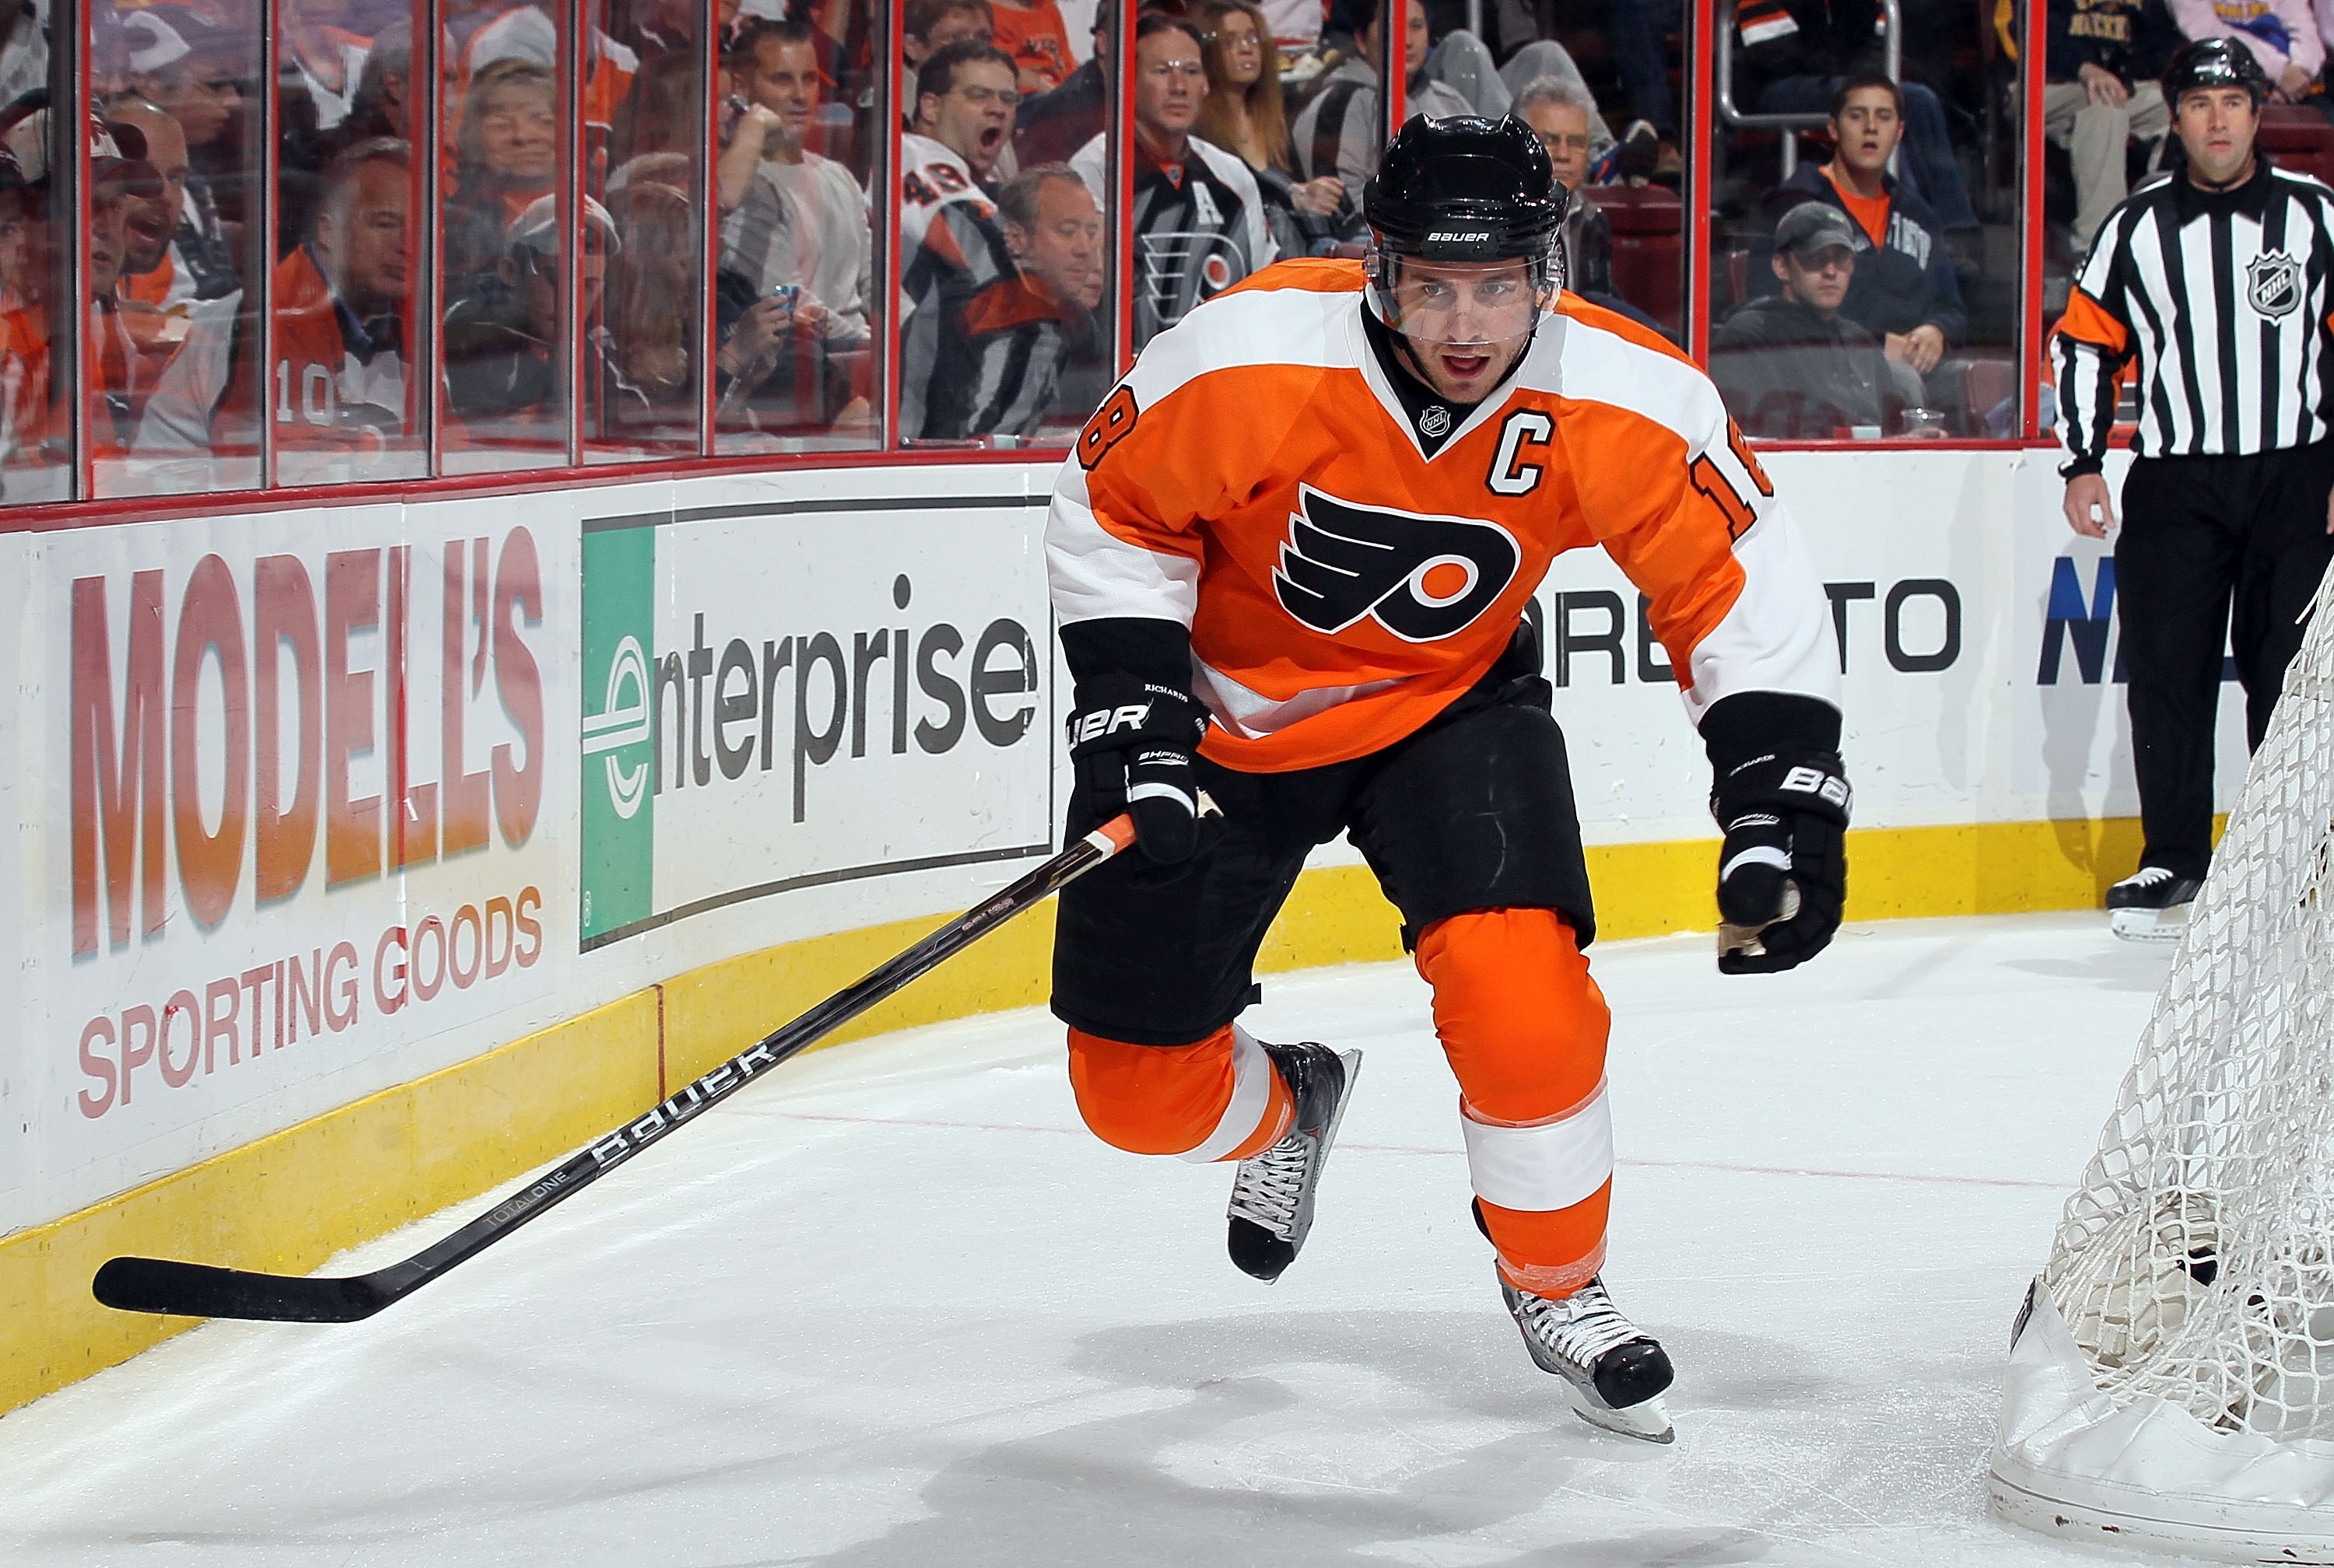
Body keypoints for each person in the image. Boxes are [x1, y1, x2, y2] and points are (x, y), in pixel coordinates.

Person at [1046, 115, 1846, 1441]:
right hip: (1221, 729)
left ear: (1549, 266)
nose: (1466, 322)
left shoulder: (1625, 392)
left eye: (1497, 283)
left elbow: (1735, 583)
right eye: (1434, 283)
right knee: (1135, 1096)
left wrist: (1785, 786)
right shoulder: (1249, 353)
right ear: (1383, 270)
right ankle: (1291, 1103)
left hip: (1447, 712)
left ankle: (1559, 1282)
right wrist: (1133, 712)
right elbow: (1115, 507)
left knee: (1522, 993)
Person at [2055, 39, 2334, 940]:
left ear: (2261, 114)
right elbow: (2086, 342)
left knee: (2288, 684)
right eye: (2201, 102)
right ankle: (2174, 859)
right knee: (2169, 680)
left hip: (2297, 479)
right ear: (2174, 117)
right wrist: (2084, 460)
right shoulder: (2135, 228)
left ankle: (2298, 865)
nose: (2219, 118)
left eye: (2235, 101)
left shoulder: (2316, 217)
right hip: (2177, 484)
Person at [1070, 14, 1277, 346]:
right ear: (1130, 81)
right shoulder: (1093, 171)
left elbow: (1262, 286)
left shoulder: (1232, 175)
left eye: (1191, 71)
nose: (1179, 86)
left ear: (1207, 84)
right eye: (1163, 71)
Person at [1755, 73, 1966, 395]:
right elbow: (1775, 308)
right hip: (1825, 368)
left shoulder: (1918, 213)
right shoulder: (1797, 203)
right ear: (1833, 129)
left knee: (1979, 380)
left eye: (1884, 117)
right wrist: (1875, 345)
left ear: (1899, 132)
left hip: (1913, 366)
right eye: (1857, 116)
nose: (1871, 128)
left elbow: (1951, 304)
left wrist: (1936, 331)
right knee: (1903, 382)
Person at [1730, 0, 1980, 234]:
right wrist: (1845, 75)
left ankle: (1956, 229)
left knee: (1918, 99)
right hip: (1779, 85)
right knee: (1871, 106)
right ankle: (1904, 226)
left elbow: (1881, 43)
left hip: (1845, 79)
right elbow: (1771, 52)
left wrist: (1859, 76)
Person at [916, 163, 1104, 439]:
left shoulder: (1074, 317)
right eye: (1066, 231)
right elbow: (970, 448)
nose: (1085, 250)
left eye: (1090, 233)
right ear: (1016, 238)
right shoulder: (991, 316)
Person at [722, 17, 873, 351]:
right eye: (782, 80)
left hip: (862, 354)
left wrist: (913, 336)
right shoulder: (743, 184)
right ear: (741, 85)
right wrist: (869, 345)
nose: (801, 96)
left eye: (809, 79)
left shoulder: (839, 176)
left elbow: (875, 280)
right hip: (794, 362)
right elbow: (783, 297)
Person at [269, 136, 414, 477]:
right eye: (386, 224)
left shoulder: (420, 326)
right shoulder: (255, 324)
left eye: (419, 227)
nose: (407, 245)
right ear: (329, 229)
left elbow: (456, 455)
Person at [899, 40, 1022, 438]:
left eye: (1008, 98)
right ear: (931, 107)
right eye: (978, 95)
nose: (998, 109)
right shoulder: (915, 155)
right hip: (917, 384)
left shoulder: (970, 173)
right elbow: (992, 256)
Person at [1712, 201, 1902, 437]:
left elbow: (1894, 430)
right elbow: (1751, 439)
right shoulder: (1749, 336)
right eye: (1816, 258)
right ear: (1782, 267)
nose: (1831, 271)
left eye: (1841, 259)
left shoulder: (1859, 341)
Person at [1193, 0, 1349, 257]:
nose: (1246, 50)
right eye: (1231, 41)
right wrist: (1293, 197)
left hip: (1302, 253)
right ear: (1208, 53)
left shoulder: (1277, 120)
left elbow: (1303, 191)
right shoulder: (1199, 130)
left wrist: (1319, 192)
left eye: (1252, 40)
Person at [1290, 0, 1473, 212]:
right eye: (1394, 26)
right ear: (1361, 40)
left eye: (1416, 26)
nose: (1407, 41)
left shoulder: (1450, 100)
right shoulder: (1339, 103)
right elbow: (1343, 210)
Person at [1512, 74, 1659, 327]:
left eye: (1576, 143)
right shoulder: (1497, 219)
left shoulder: (1593, 218)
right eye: (1549, 140)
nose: (1563, 155)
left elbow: (1600, 303)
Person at [2044, 0, 2180, 252]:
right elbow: (2020, 34)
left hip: (2116, 87)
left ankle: (2170, 227)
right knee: (2105, 111)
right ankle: (2100, 246)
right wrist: (2083, 67)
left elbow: (2161, 43)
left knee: (2178, 106)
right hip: (2042, 85)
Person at [2169, 0, 2322, 103]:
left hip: (2293, 86)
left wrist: (2302, 68)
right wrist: (2279, 71)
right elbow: (2206, 31)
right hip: (2218, 81)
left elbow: (2305, 29)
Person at [1013, 0, 1106, 167]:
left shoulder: (1049, 9)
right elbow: (1003, 69)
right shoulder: (994, 12)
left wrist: (1069, 88)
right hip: (1026, 98)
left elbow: (1066, 60)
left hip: (1057, 90)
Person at [905, 0, 997, 118]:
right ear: (912, 45)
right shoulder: (886, 109)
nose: (974, 49)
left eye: (982, 38)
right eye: (956, 38)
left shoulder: (998, 102)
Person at [990, 0, 1075, 95]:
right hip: (1024, 95)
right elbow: (997, 69)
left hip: (1060, 91)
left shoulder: (1048, 8)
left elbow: (1067, 62)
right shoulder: (989, 13)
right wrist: (1037, 83)